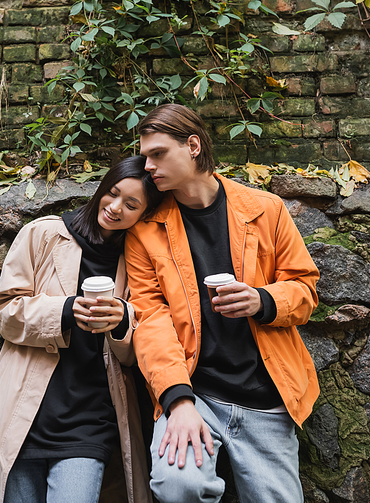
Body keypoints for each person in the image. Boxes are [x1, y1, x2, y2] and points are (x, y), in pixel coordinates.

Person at [124, 104, 320, 503]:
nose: (147, 166)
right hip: (196, 393)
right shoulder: (145, 232)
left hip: (267, 394)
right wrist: (177, 400)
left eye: (157, 154)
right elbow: (151, 322)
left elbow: (305, 291)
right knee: (179, 486)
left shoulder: (266, 209)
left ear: (193, 146)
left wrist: (261, 299)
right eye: (144, 156)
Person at [0, 156, 164, 503]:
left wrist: (122, 320)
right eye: (111, 194)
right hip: (25, 413)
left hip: (91, 416)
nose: (115, 208)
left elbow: (138, 345)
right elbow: (4, 310)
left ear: (144, 213)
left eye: (131, 204)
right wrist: (64, 310)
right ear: (100, 189)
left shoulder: (138, 258)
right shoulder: (43, 234)